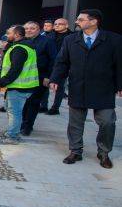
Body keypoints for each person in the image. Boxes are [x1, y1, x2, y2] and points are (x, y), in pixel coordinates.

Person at [50, 9, 122, 169]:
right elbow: (62, 62)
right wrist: (55, 79)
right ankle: (75, 151)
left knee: (107, 122)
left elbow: (119, 65)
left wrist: (120, 85)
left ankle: (103, 152)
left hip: (103, 88)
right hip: (78, 86)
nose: (77, 22)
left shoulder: (113, 40)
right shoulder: (70, 40)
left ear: (94, 21)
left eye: (81, 19)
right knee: (76, 122)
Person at [0, 25, 39, 145]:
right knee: (11, 110)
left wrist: (0, 83)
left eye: (9, 33)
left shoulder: (19, 48)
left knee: (14, 112)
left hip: (19, 86)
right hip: (20, 86)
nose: (7, 35)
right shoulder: (24, 46)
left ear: (17, 35)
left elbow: (15, 71)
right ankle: (12, 131)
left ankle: (12, 136)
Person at [20, 21, 57, 135]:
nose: (29, 30)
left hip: (40, 77)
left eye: (32, 28)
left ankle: (27, 126)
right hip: (22, 77)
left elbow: (53, 60)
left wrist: (48, 77)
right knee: (22, 102)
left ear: (39, 29)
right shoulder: (22, 41)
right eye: (26, 28)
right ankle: (21, 123)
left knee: (33, 102)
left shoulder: (47, 42)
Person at [40, 18, 72, 115]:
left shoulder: (72, 36)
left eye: (60, 24)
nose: (57, 25)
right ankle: (44, 106)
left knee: (60, 86)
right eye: (56, 24)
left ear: (66, 26)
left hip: (63, 65)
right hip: (49, 63)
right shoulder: (49, 36)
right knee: (45, 84)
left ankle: (55, 108)